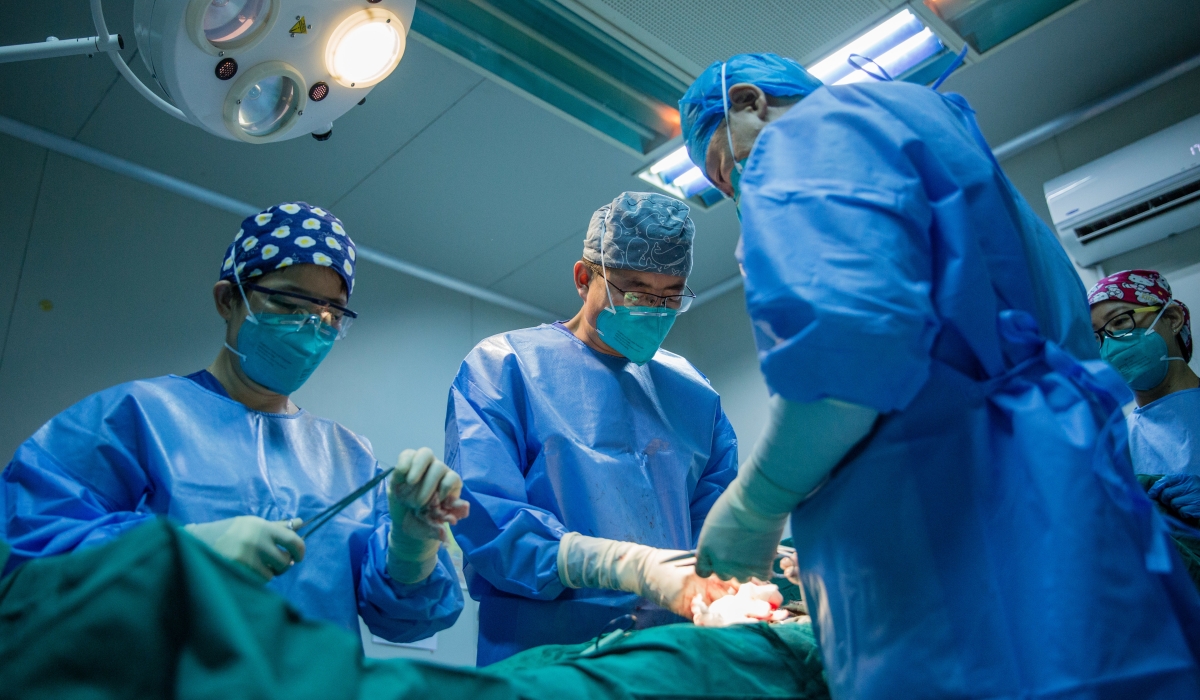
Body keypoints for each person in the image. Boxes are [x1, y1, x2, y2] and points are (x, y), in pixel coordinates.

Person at [677, 53, 1200, 698]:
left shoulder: (809, 136)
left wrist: (755, 505)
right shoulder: (933, 132)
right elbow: (1069, 334)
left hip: (950, 543)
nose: (739, 194)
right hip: (1065, 503)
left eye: (730, 169)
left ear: (752, 102)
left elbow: (849, 359)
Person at [1, 202, 467, 643]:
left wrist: (412, 546)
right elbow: (25, 557)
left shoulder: (352, 459)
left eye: (330, 313)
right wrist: (180, 553)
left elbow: (406, 622)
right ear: (229, 300)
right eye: (289, 305)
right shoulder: (136, 416)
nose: (311, 327)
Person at [446, 192, 738, 664]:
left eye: (669, 298)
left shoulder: (696, 395)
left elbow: (720, 535)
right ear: (585, 278)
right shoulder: (504, 368)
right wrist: (625, 567)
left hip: (671, 658)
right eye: (636, 291)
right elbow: (489, 524)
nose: (652, 309)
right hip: (547, 659)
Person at [1089, 269, 1200, 519]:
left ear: (1172, 318)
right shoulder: (1116, 446)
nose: (1109, 345)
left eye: (1119, 322)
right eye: (1096, 338)